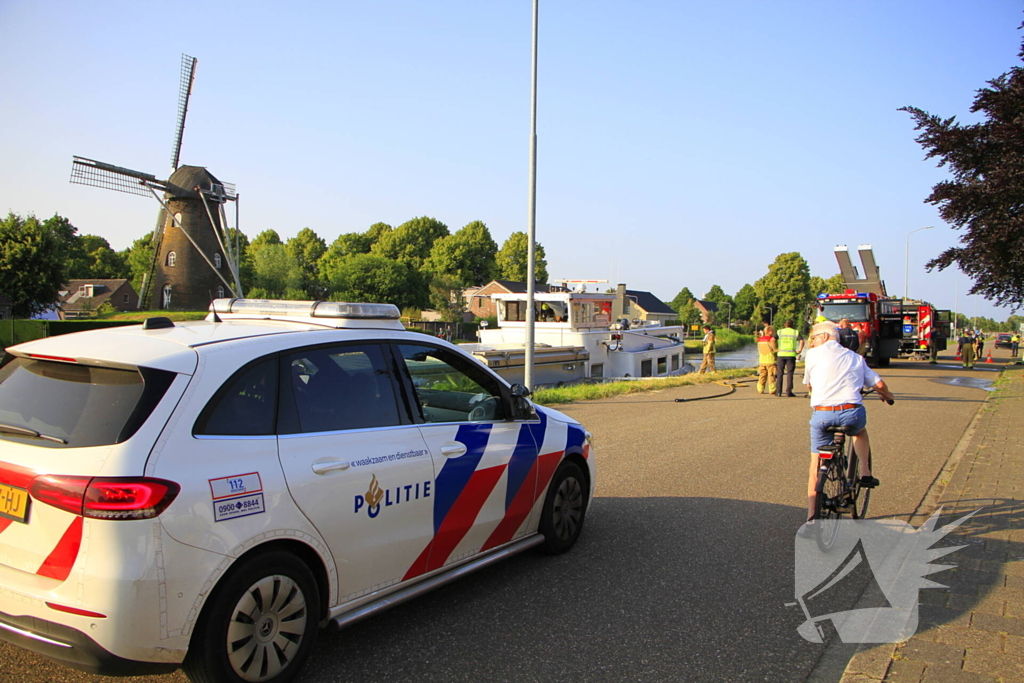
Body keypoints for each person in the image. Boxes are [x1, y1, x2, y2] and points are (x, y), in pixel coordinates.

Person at [798, 322, 894, 537]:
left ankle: (812, 520)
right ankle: (866, 474)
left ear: (824, 336)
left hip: (822, 414)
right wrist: (888, 397)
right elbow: (879, 384)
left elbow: (809, 385)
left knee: (815, 464)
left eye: (813, 337)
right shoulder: (856, 358)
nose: (811, 341)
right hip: (851, 412)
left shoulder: (812, 356)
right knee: (859, 431)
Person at [774, 319, 804, 397]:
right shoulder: (795, 332)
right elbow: (802, 341)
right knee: (790, 373)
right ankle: (788, 391)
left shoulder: (779, 331)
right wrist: (799, 350)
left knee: (780, 373)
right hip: (791, 354)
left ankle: (778, 391)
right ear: (792, 325)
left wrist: (775, 349)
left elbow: (772, 340)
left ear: (785, 325)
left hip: (781, 354)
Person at [756, 324, 777, 395]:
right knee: (771, 376)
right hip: (771, 360)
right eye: (773, 331)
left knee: (762, 376)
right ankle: (772, 389)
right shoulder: (771, 340)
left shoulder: (759, 340)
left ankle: (760, 389)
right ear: (770, 331)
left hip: (762, 360)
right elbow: (774, 350)